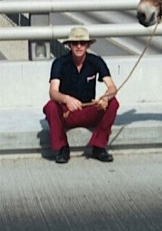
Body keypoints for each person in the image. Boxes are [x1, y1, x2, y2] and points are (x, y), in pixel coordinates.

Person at [43, 26, 120, 164]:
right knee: (50, 106)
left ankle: (99, 146)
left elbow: (112, 88)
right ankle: (62, 148)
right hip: (68, 112)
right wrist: (66, 99)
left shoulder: (96, 61)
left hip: (89, 108)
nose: (79, 47)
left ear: (88, 45)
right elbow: (53, 92)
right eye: (75, 43)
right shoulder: (59, 63)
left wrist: (105, 98)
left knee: (114, 103)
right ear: (69, 45)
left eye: (82, 43)